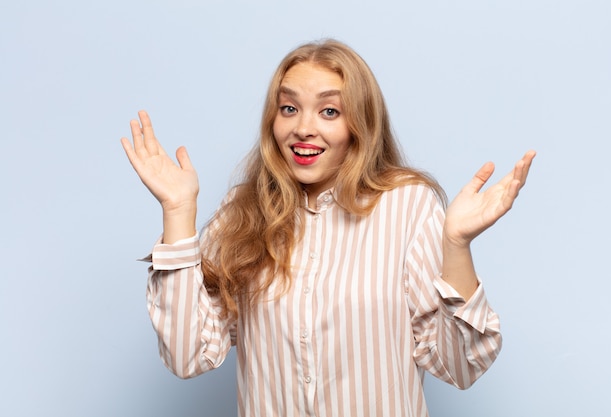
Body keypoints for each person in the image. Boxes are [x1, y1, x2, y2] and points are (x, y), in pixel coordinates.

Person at [121, 39, 535, 417]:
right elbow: (186, 355)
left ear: (360, 125)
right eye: (289, 108)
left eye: (329, 111)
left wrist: (456, 245)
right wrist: (177, 211)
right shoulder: (241, 211)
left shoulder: (407, 206)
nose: (303, 127)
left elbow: (462, 367)